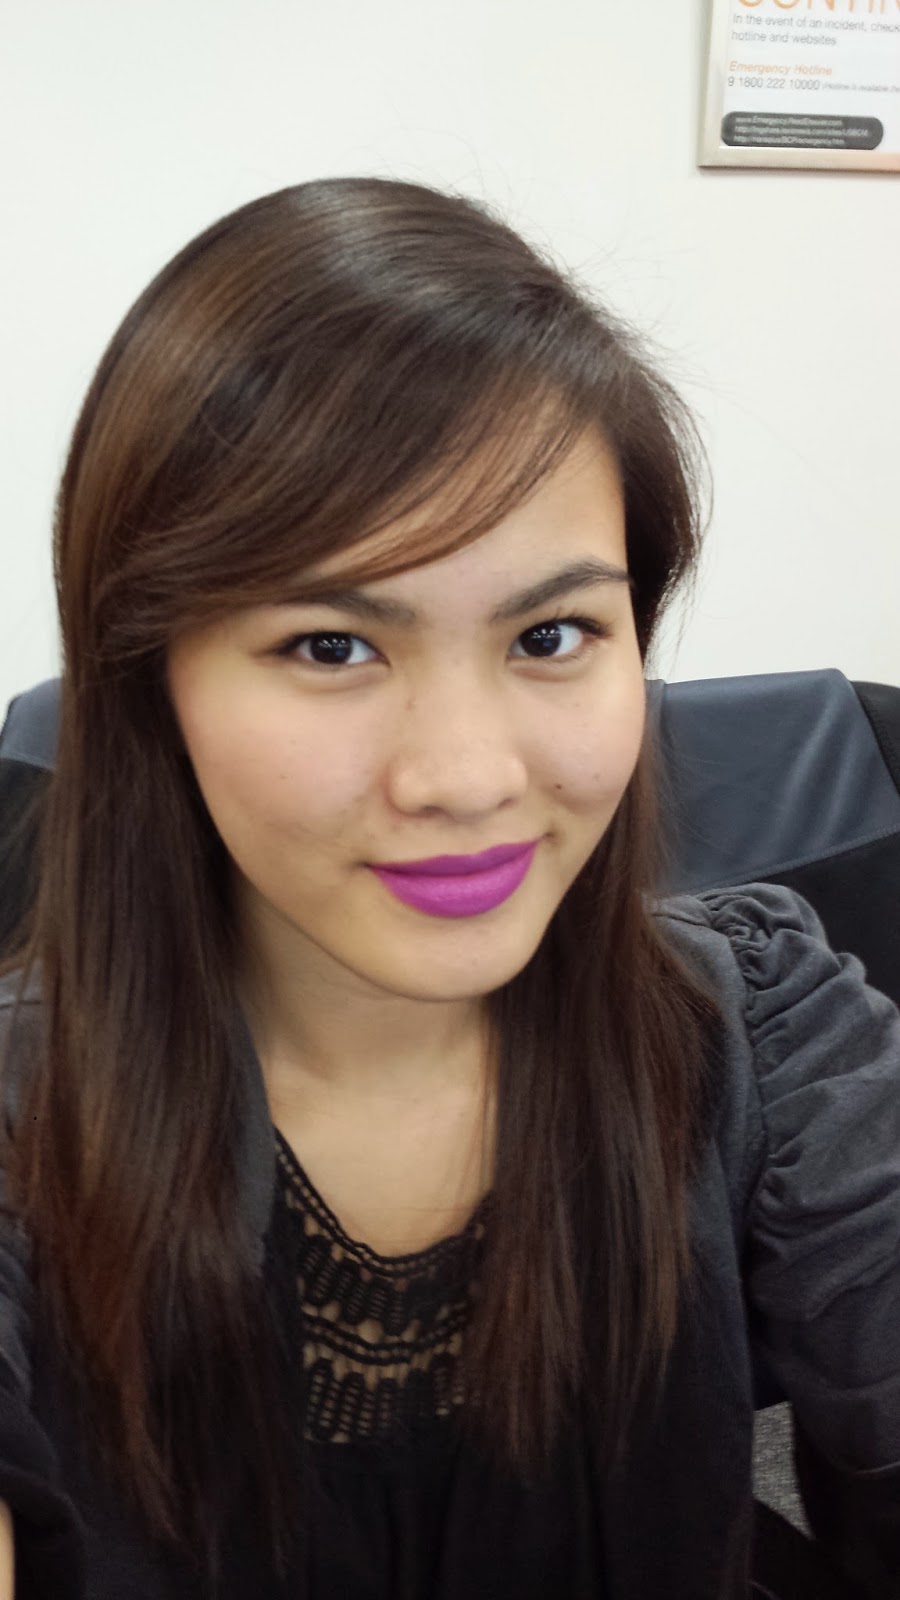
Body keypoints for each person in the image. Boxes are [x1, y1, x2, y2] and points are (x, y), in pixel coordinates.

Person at [0, 178, 898, 1600]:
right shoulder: (22, 1120)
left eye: (552, 634)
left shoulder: (767, 1030)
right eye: (332, 646)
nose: (469, 778)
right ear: (147, 679)